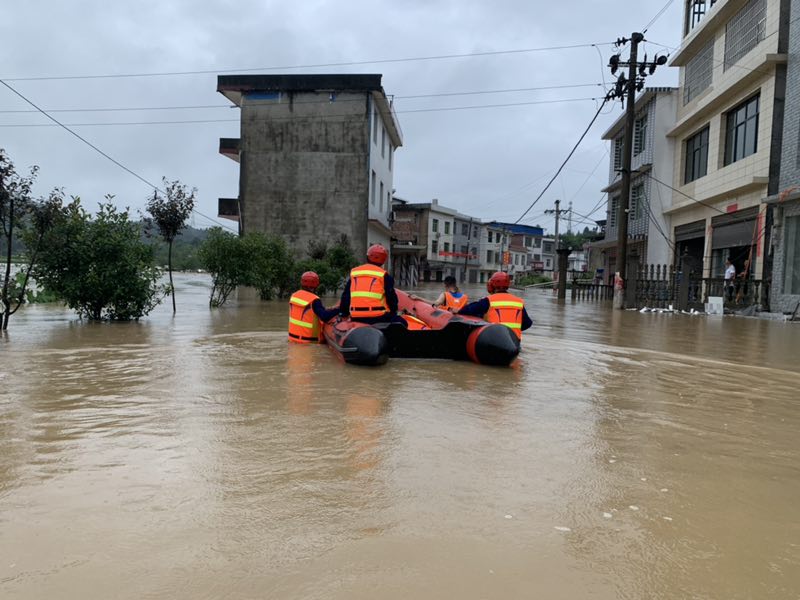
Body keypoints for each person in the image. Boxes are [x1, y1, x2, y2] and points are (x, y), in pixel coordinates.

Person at [338, 244, 404, 324]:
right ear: (383, 260)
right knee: (403, 322)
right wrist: (394, 312)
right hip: (378, 317)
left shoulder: (355, 272)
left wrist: (343, 313)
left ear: (367, 257)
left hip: (356, 317)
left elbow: (346, 296)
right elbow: (391, 298)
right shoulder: (384, 275)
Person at [457, 271, 532, 339]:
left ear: (492, 285)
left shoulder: (488, 300)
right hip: (514, 341)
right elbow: (528, 323)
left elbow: (468, 310)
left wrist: (458, 310)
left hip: (494, 340)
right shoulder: (518, 302)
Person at [288, 271, 339, 343]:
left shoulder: (294, 296)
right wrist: (339, 309)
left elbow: (311, 312)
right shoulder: (314, 300)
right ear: (316, 284)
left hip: (292, 340)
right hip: (309, 343)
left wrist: (326, 309)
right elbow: (324, 316)